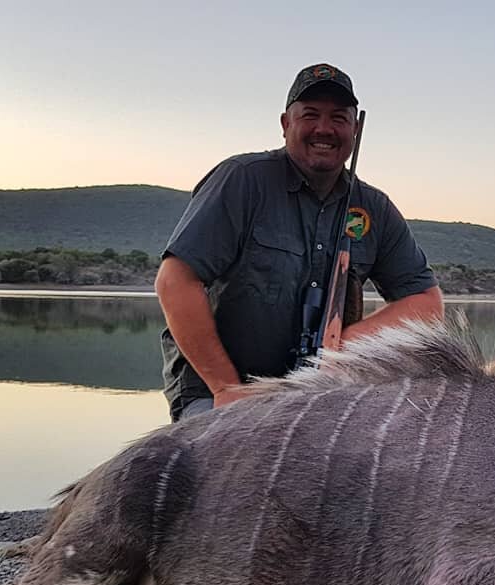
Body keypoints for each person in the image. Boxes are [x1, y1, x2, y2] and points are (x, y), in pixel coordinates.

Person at [155, 63, 443, 421]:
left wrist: (345, 346)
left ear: (355, 128)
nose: (324, 129)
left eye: (339, 118)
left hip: (319, 392)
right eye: (311, 115)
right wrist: (226, 388)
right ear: (285, 123)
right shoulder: (242, 180)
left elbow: (426, 303)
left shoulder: (375, 208)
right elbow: (175, 280)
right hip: (220, 389)